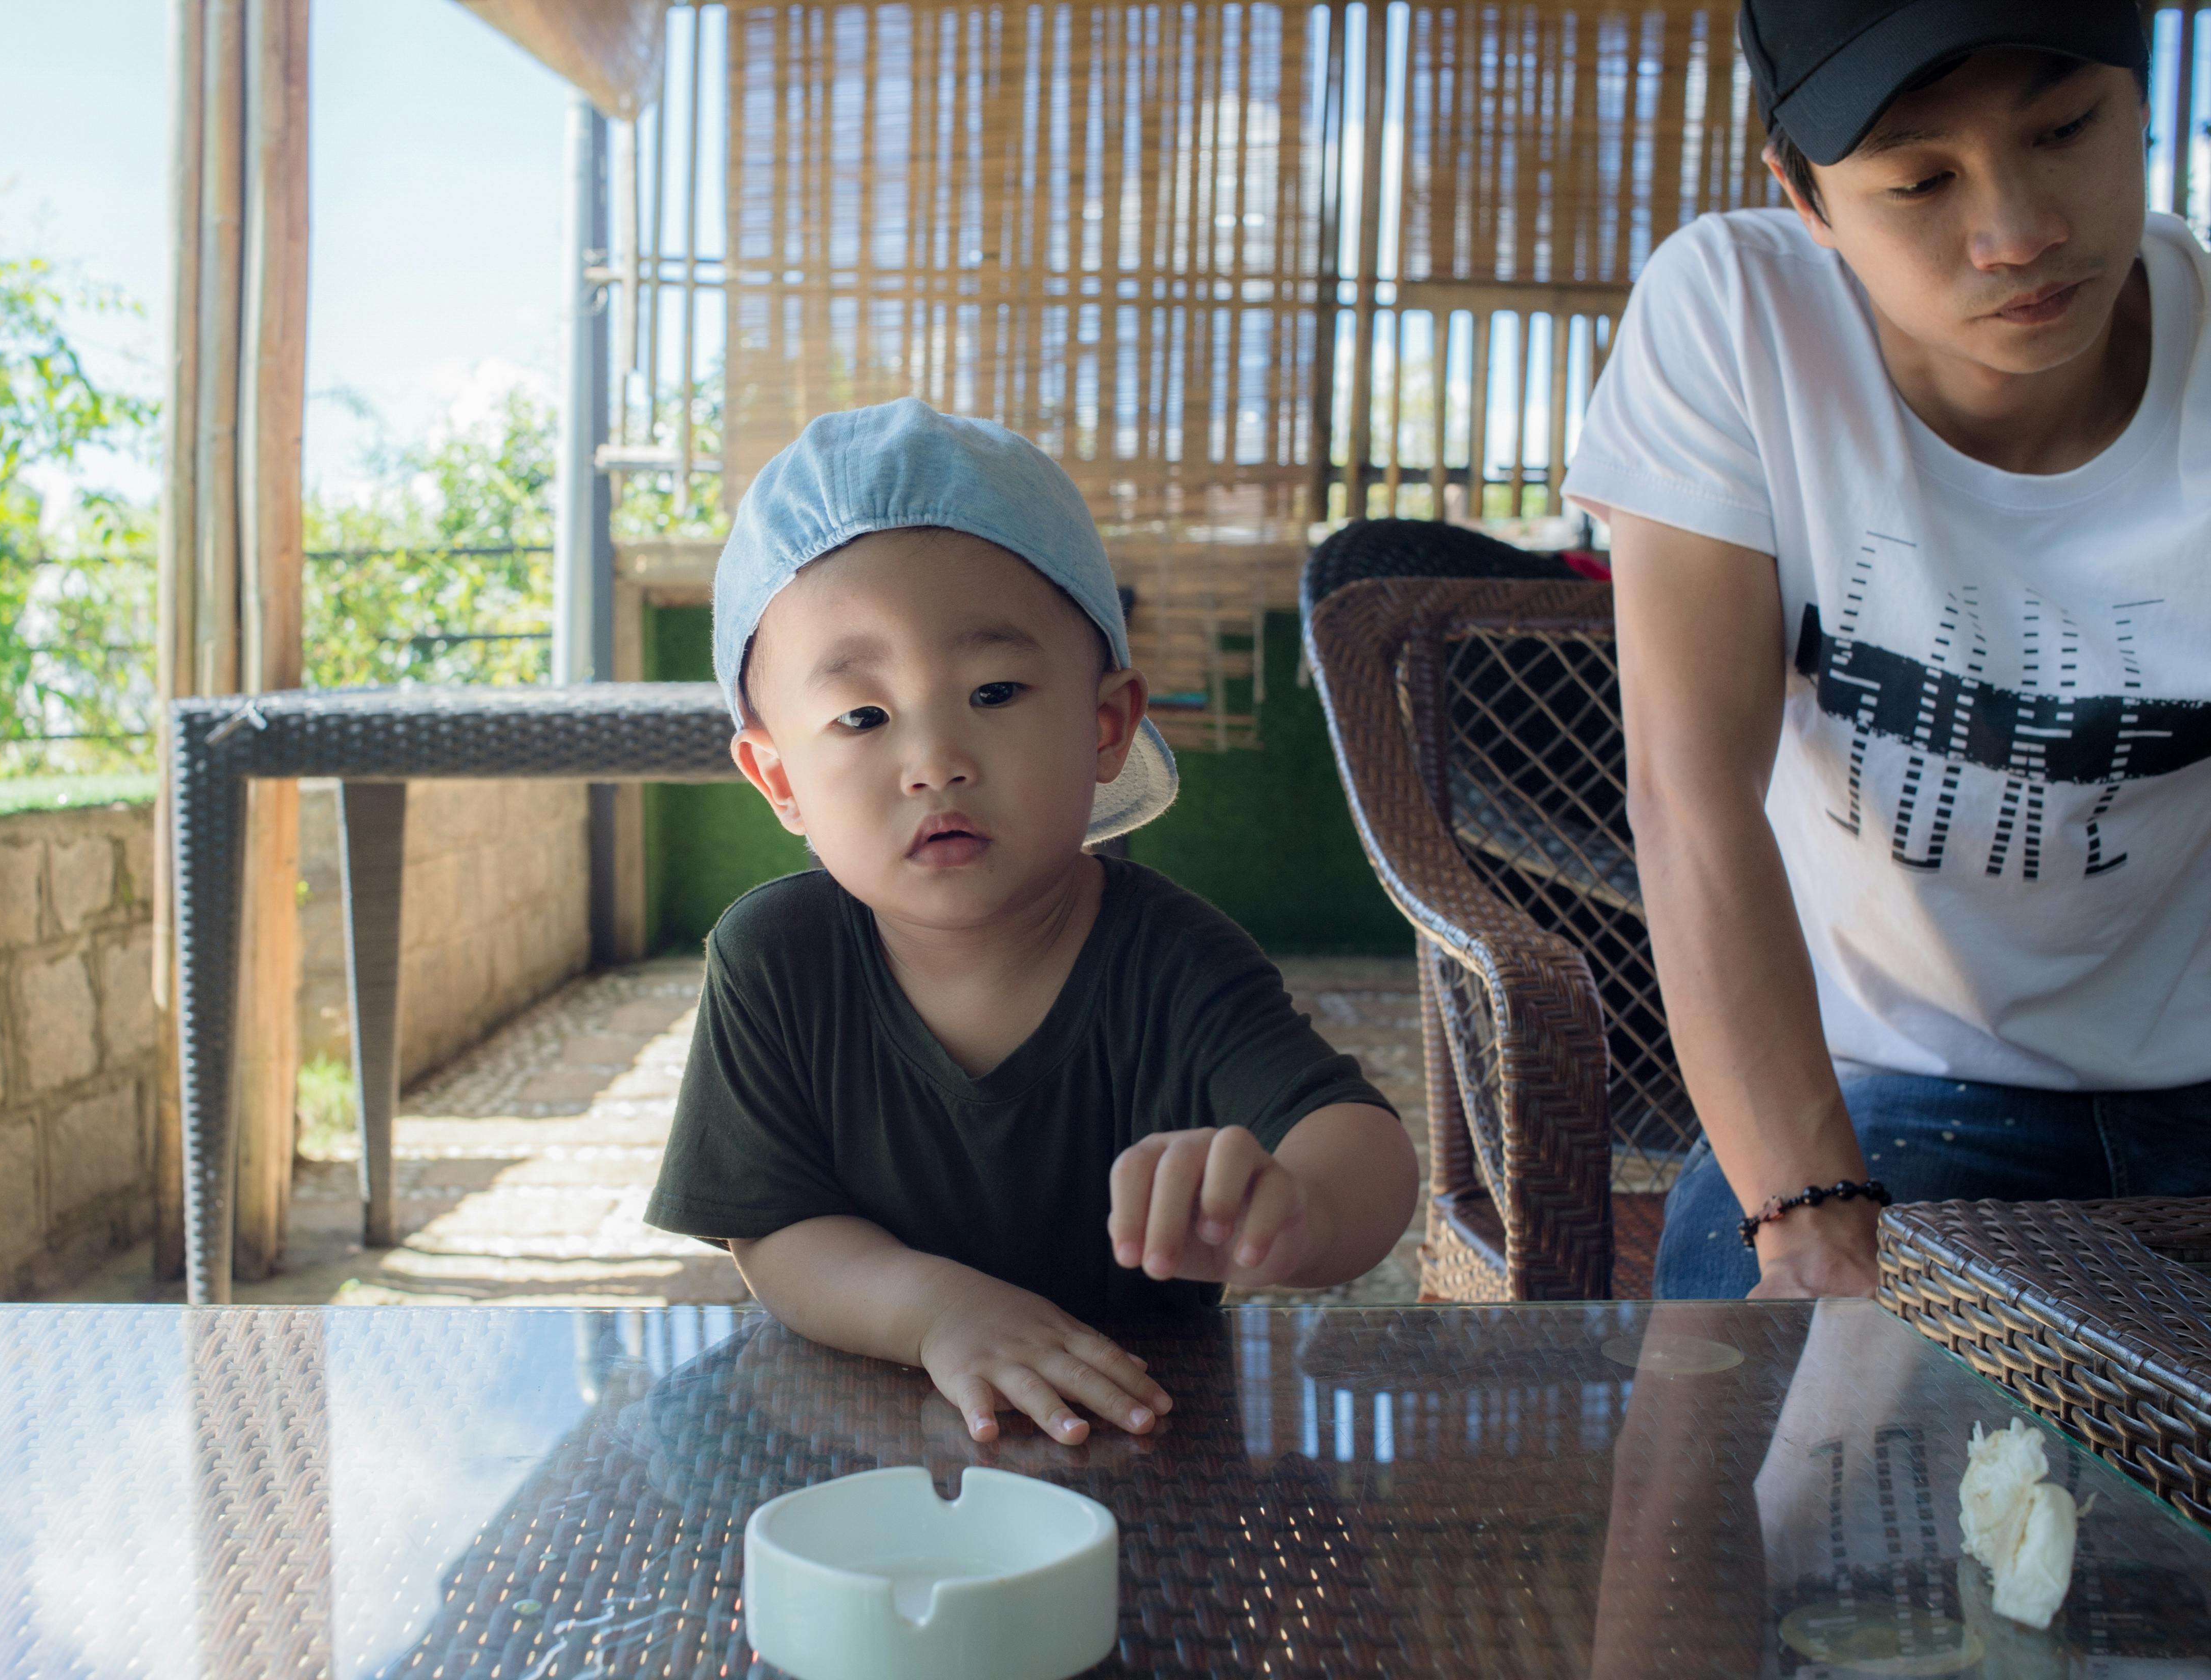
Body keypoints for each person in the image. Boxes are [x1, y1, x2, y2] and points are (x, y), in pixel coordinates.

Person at [1561, 0, 2211, 1301]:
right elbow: (1692, 797)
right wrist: (1810, 1222)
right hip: (1881, 1089)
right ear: (1806, 197)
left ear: (2145, 105)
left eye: (2065, 129)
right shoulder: (1738, 316)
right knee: (1758, 1410)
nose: (2016, 231)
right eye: (1920, 181)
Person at [644, 397, 1419, 1443]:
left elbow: (1362, 1146)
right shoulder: (775, 960)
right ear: (778, 776)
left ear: (1105, 724)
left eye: (995, 691)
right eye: (863, 716)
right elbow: (776, 1232)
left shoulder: (1171, 959)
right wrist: (939, 1312)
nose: (936, 761)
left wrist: (1300, 1208)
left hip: (1126, 1447)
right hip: (853, 1445)